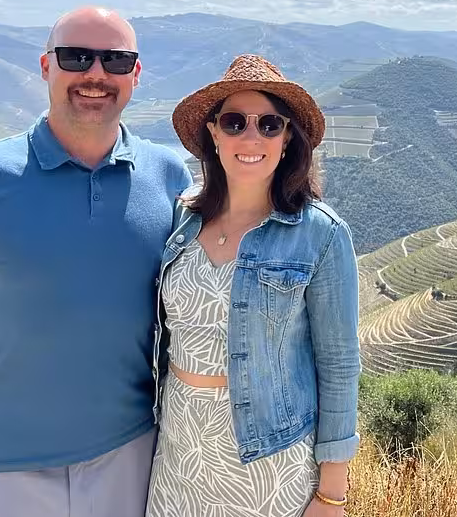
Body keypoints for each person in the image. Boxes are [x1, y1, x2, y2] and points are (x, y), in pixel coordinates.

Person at [0, 7, 192, 517]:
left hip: (131, 457)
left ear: (136, 74)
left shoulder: (168, 175)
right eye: (77, 57)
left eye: (116, 60)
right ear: (45, 66)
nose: (96, 74)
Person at [146, 54, 360, 517]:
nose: (251, 136)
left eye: (269, 125)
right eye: (235, 121)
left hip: (268, 458)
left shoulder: (320, 234)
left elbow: (339, 363)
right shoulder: (182, 221)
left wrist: (331, 495)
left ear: (287, 140)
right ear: (213, 134)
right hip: (178, 450)